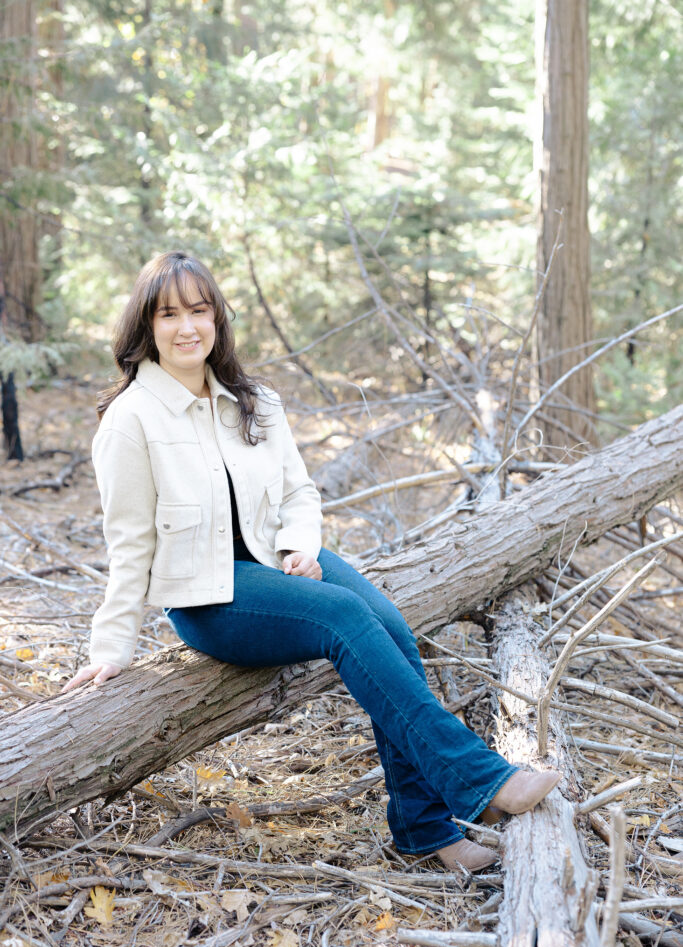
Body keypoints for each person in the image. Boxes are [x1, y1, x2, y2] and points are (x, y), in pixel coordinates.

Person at [64, 251, 560, 871]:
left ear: (217, 318)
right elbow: (129, 541)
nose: (186, 327)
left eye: (199, 310)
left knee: (392, 629)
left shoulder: (255, 401)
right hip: (208, 594)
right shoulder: (130, 420)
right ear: (147, 325)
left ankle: (423, 829)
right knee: (342, 617)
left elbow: (298, 491)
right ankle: (482, 779)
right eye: (169, 315)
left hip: (277, 557)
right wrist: (111, 646)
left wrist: (299, 545)